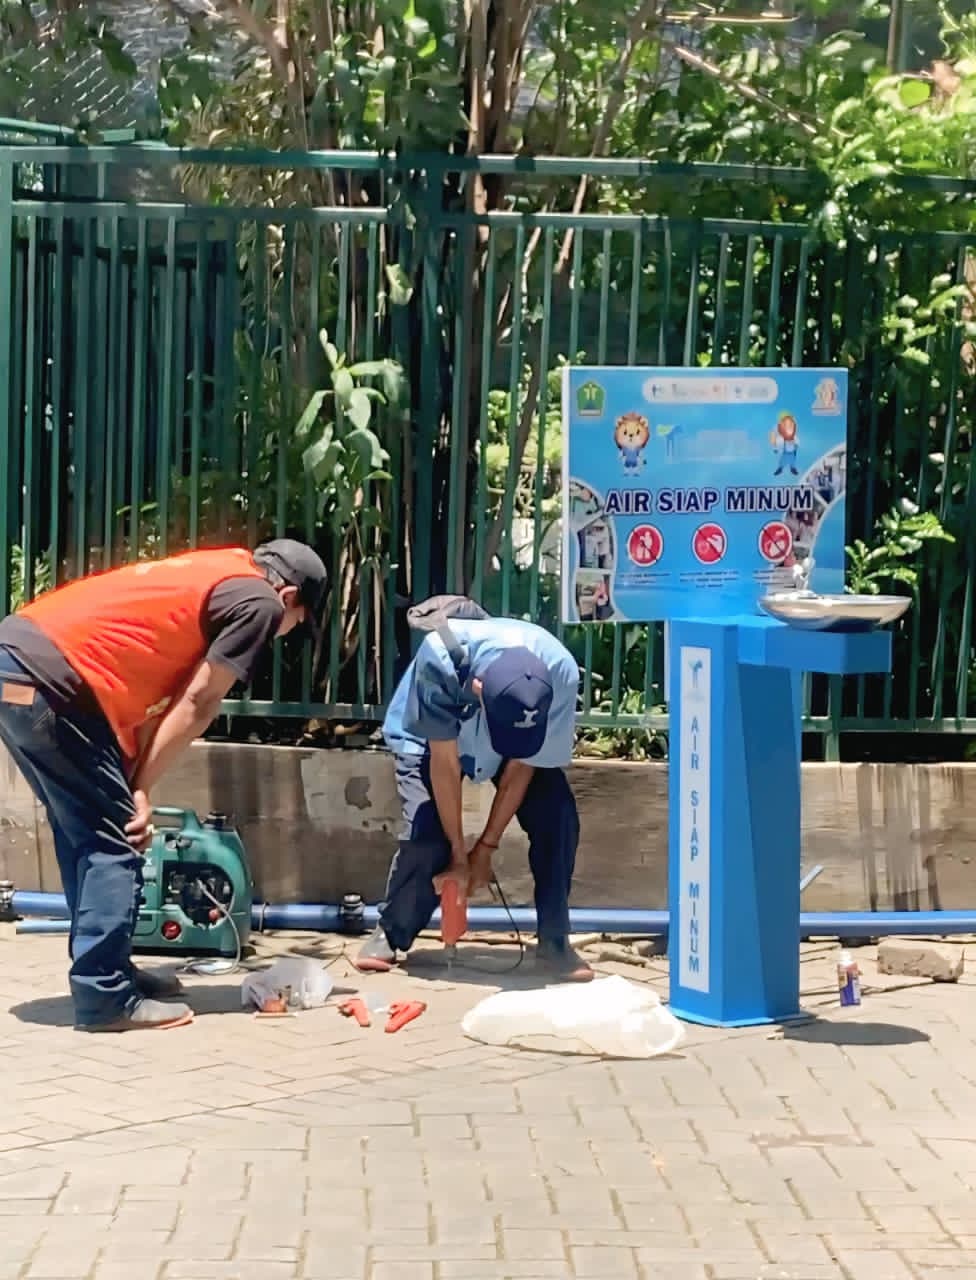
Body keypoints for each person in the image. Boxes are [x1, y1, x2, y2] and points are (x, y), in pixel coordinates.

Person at [0, 539, 327, 1032]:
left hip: (21, 665)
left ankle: (110, 970)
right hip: (53, 680)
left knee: (88, 831)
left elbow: (161, 696)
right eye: (298, 620)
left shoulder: (221, 570)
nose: (287, 631)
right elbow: (198, 702)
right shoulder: (258, 603)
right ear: (287, 596)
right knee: (117, 839)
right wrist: (141, 790)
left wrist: (134, 780)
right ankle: (105, 996)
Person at [355, 609, 593, 982]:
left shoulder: (560, 672)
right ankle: (391, 931)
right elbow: (445, 767)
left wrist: (486, 848)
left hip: (510, 745)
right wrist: (458, 855)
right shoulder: (441, 658)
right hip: (429, 740)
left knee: (557, 817)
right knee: (426, 829)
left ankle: (555, 939)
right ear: (480, 689)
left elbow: (523, 763)